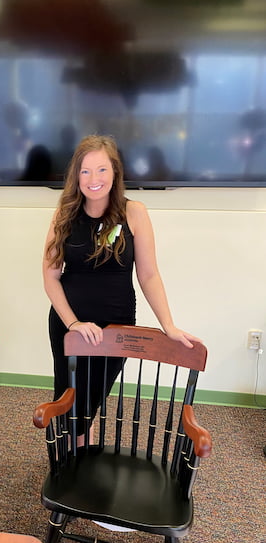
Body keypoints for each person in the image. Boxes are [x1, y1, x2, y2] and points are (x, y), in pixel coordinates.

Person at [43, 134, 200, 444]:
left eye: (101, 170)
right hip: (70, 323)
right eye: (85, 171)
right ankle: (70, 459)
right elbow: (50, 276)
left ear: (115, 172)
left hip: (116, 326)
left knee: (90, 400)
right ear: (76, 176)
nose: (93, 179)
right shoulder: (64, 213)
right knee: (68, 393)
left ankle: (75, 452)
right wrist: (73, 323)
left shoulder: (135, 212)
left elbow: (149, 275)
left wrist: (168, 325)